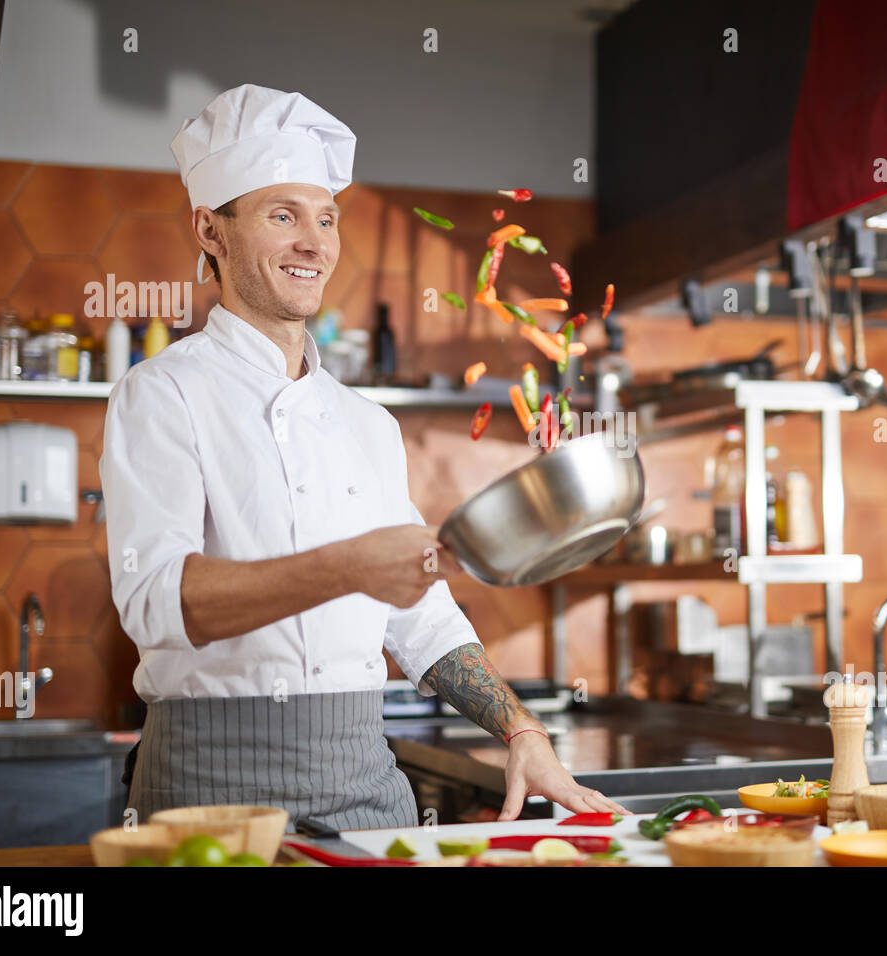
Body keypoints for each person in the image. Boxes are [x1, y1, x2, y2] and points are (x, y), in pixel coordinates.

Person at [100, 83, 626, 830]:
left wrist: (522, 731)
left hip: (366, 781)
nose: (315, 243)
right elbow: (153, 601)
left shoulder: (365, 423)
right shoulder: (160, 394)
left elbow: (421, 615)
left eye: (325, 218)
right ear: (211, 233)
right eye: (282, 216)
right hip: (209, 783)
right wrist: (347, 567)